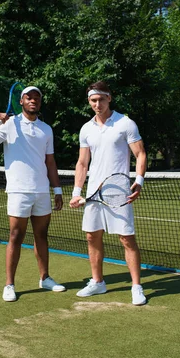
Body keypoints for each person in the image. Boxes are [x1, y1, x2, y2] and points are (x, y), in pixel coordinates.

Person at [0, 86, 65, 302]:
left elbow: (50, 161)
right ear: (21, 101)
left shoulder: (46, 129)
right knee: (15, 237)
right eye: (29, 97)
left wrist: (57, 189)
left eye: (37, 98)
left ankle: (45, 278)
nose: (33, 101)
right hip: (18, 191)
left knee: (42, 236)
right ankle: (9, 284)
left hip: (41, 191)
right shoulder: (9, 125)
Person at [69, 81, 148, 306]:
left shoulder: (125, 123)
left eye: (101, 99)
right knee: (92, 236)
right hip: (94, 192)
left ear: (109, 98)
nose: (97, 104)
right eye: (93, 100)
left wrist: (139, 181)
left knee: (126, 239)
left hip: (119, 193)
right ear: (89, 102)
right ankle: (98, 282)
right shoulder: (86, 129)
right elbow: (82, 163)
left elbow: (140, 154)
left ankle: (136, 286)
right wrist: (77, 191)